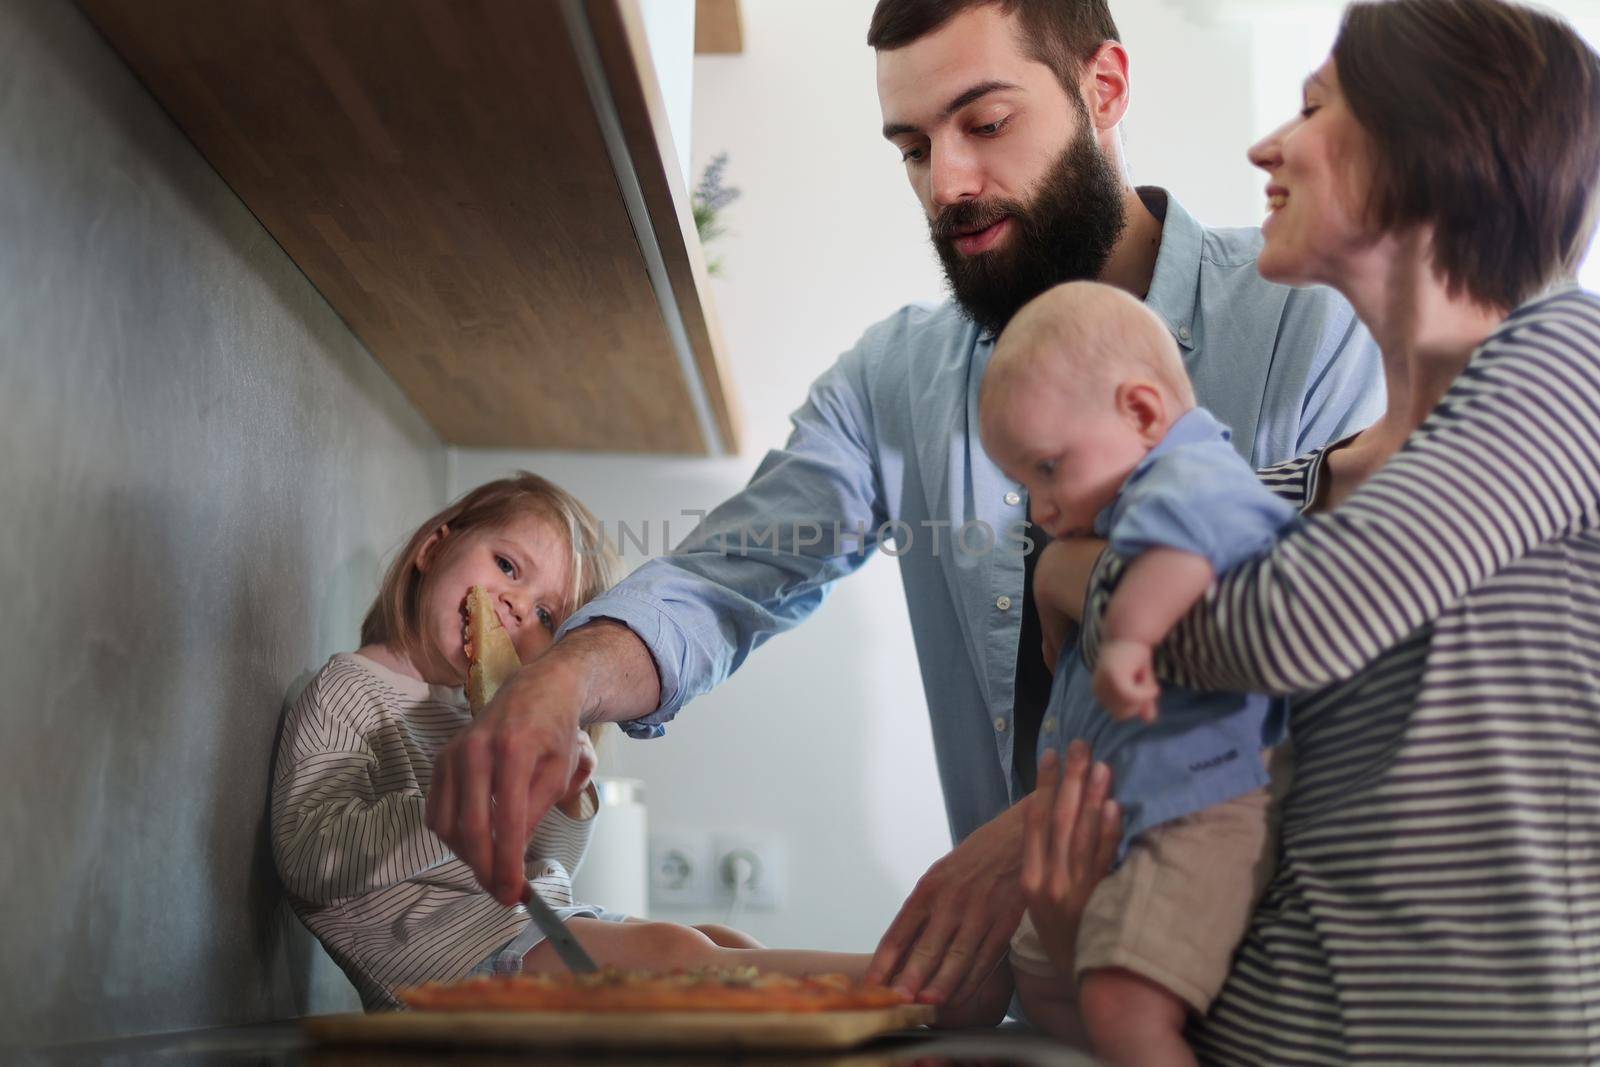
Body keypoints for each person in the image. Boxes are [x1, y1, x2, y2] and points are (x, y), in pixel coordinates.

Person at [425, 0, 1386, 1016]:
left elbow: (1335, 672)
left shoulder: (1309, 321)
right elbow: (723, 579)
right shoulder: (897, 378)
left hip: (1283, 1003)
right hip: (1044, 1008)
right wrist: (562, 678)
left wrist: (1038, 830)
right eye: (913, 147)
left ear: (1102, 88)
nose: (950, 185)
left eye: (985, 123)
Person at [1027, 1, 1600, 1061]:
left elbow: (1286, 626)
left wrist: (1079, 575)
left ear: (1438, 139)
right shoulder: (1274, 497)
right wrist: (1083, 934)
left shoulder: (1573, 360)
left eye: (1313, 107)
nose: (1264, 147)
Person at [273, 474, 941, 1012]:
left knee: (715, 938)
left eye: (545, 616)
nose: (513, 605)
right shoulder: (349, 687)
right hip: (442, 969)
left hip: (520, 931)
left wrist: (563, 795)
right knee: (677, 949)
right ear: (432, 548)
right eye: (507, 565)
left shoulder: (477, 709)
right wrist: (470, 792)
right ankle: (906, 983)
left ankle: (850, 1016)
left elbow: (551, 860)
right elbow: (307, 861)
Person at [981, 281, 1297, 1065]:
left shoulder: (1192, 480)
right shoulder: (1131, 504)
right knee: (1042, 978)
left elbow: (1180, 558)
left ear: (1144, 413)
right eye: (1027, 483)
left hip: (1200, 804)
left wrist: (1125, 642)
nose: (1043, 507)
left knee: (1123, 1000)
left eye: (1051, 469)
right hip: (1137, 808)